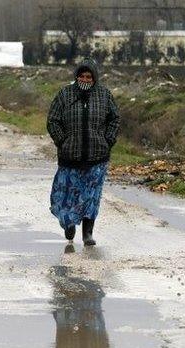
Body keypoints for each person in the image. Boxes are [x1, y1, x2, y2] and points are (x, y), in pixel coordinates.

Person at [47, 58, 120, 246]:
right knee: (66, 195)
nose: (85, 80)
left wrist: (108, 140)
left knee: (91, 196)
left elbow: (114, 119)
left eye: (89, 76)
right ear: (76, 76)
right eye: (82, 76)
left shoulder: (105, 95)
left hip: (97, 157)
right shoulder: (64, 94)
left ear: (95, 78)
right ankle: (68, 223)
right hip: (70, 156)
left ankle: (87, 233)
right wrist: (62, 141)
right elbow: (53, 120)